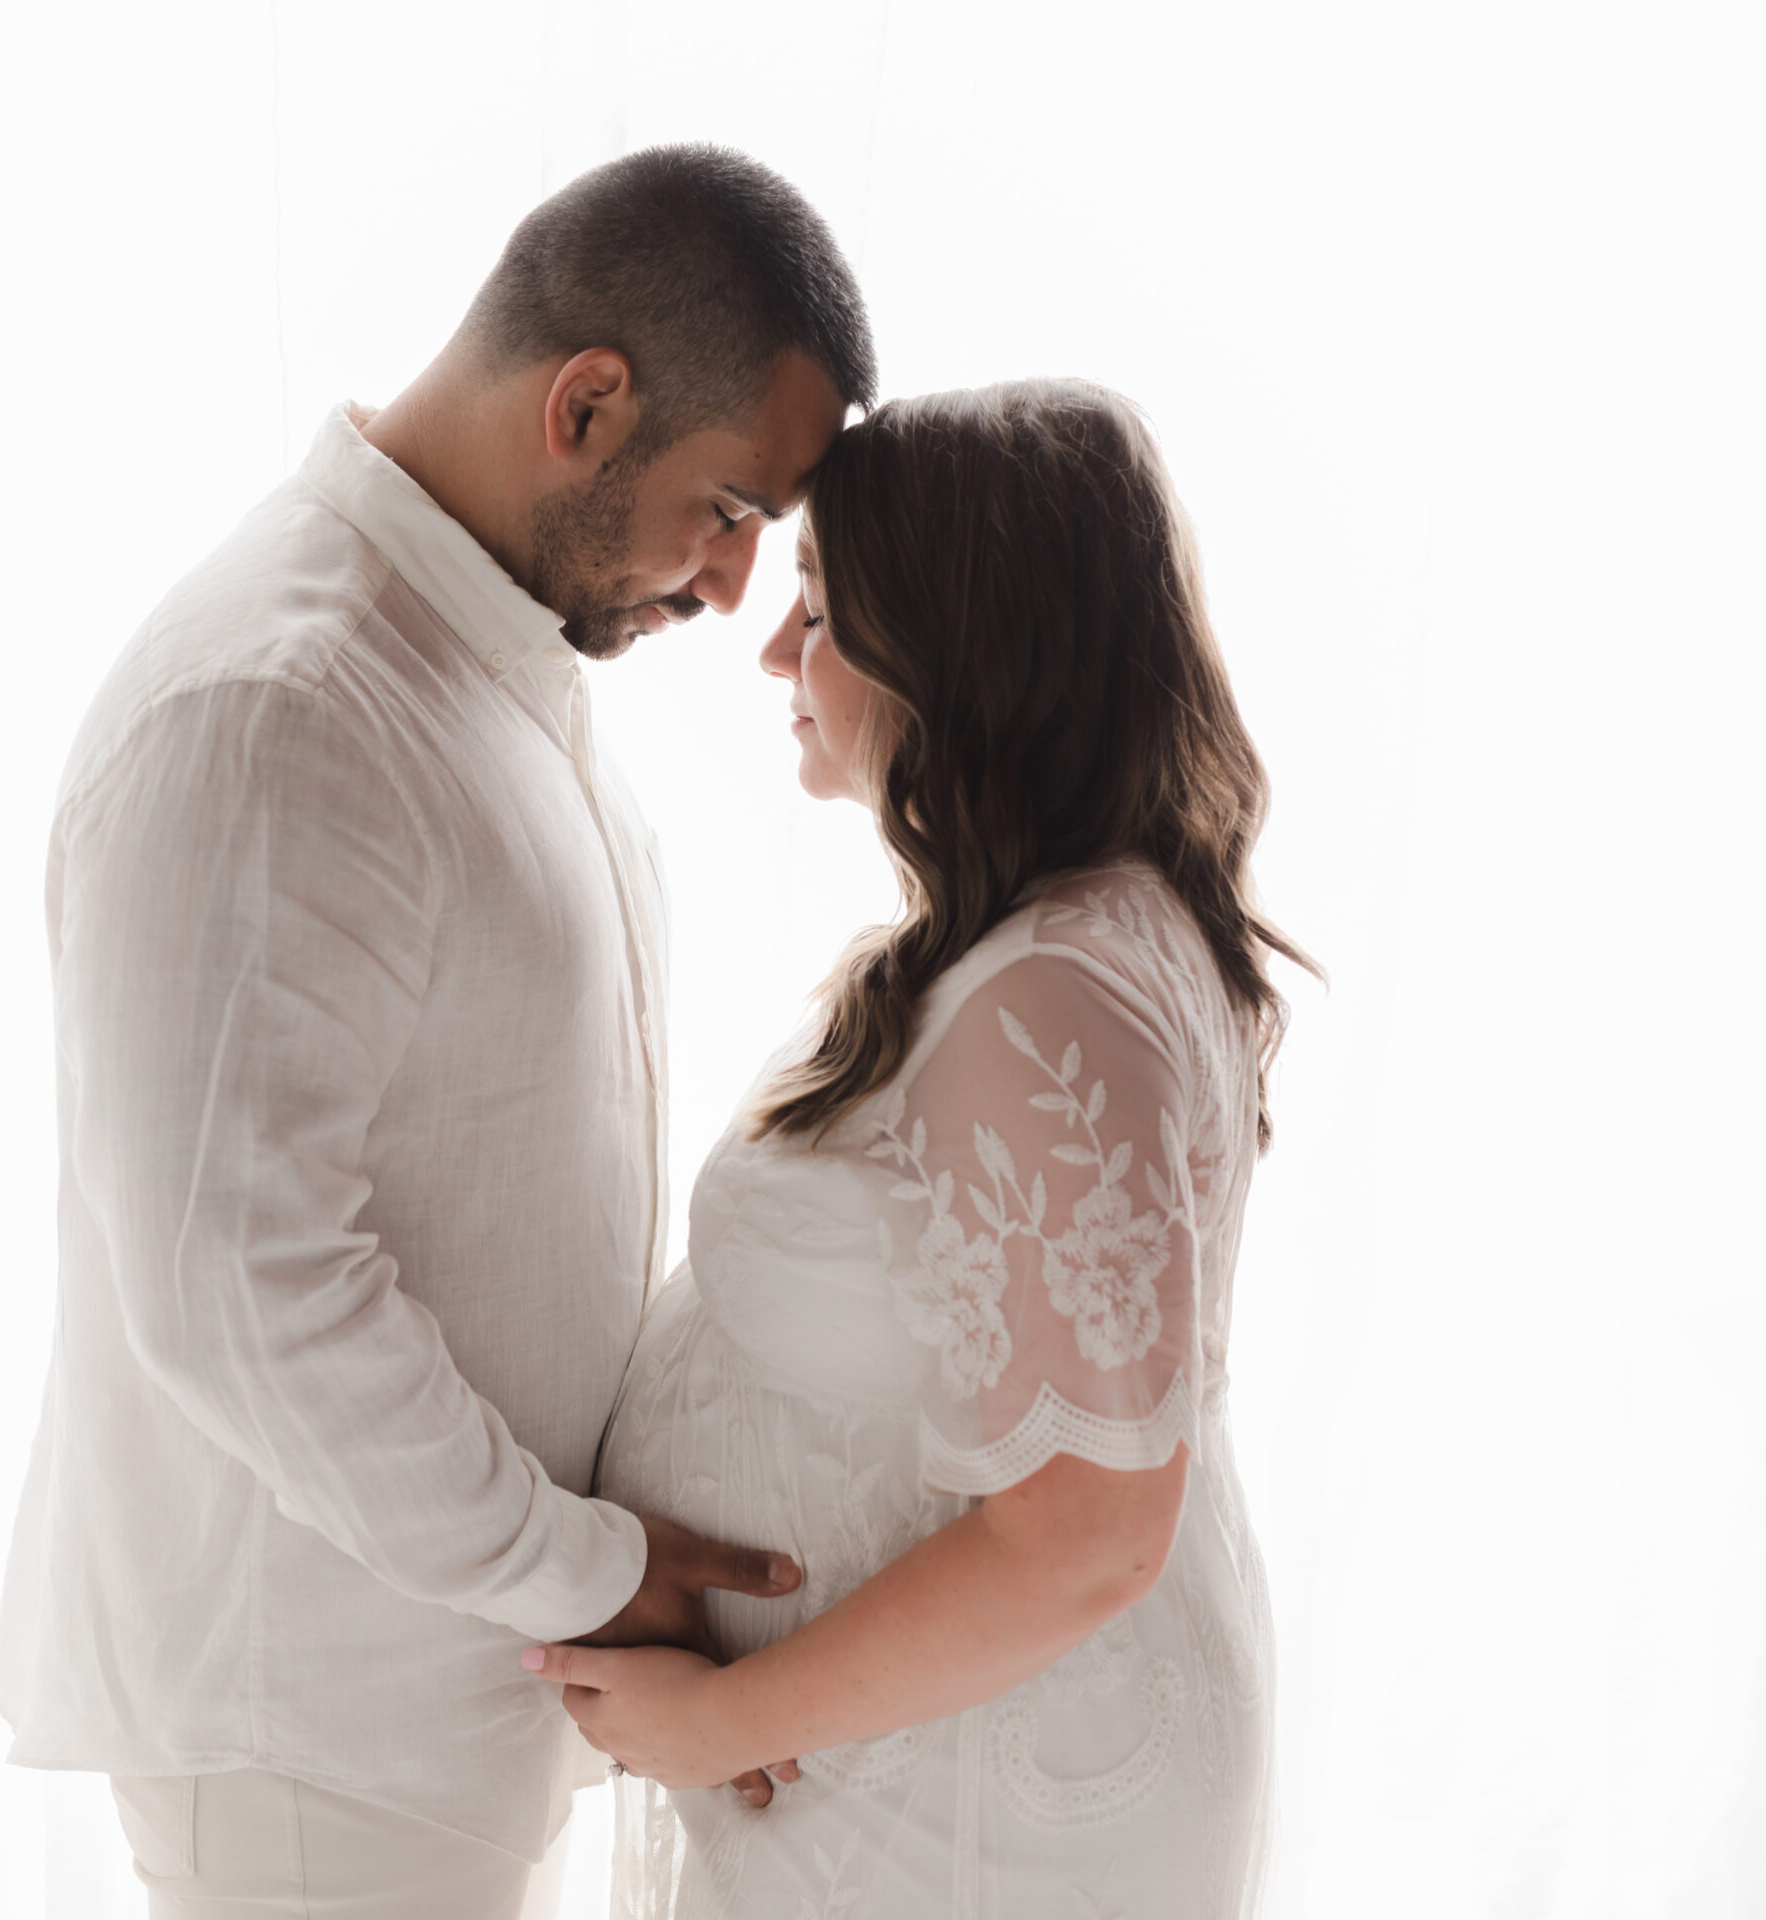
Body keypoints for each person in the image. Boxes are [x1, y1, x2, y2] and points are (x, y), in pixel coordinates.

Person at [0, 145, 875, 1920]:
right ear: (588, 403)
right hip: (308, 1729)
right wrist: (581, 1568)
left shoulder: (473, 659)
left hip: (435, 1692)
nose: (728, 591)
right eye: (724, 507)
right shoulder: (283, 704)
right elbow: (235, 1287)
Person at [539, 379, 1313, 1918]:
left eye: (819, 611)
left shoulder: (1049, 998)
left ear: (959, 656)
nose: (774, 648)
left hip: (991, 1802)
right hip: (952, 1764)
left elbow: (1088, 1534)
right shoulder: (1065, 938)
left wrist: (716, 1724)